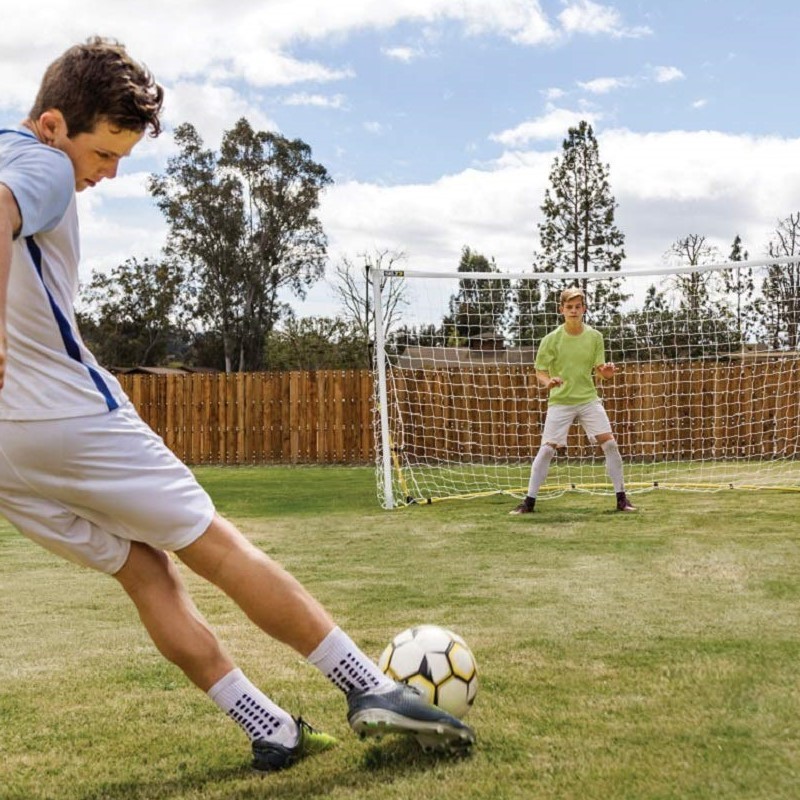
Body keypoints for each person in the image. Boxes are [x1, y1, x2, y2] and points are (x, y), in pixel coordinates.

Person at [0, 37, 475, 774]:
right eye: (104, 153)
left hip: (5, 453)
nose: (108, 173)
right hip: (70, 418)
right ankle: (367, 685)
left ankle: (271, 729)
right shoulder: (42, 163)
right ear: (57, 122)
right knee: (214, 545)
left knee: (144, 573)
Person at [510, 286, 636, 515]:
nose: (574, 311)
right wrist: (548, 382)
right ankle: (528, 502)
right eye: (569, 307)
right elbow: (540, 371)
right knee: (548, 449)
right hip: (561, 402)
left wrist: (608, 372)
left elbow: (601, 372)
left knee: (610, 444)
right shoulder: (551, 339)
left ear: (584, 309)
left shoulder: (595, 337)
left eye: (578, 307)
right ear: (562, 310)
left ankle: (622, 499)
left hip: (588, 399)